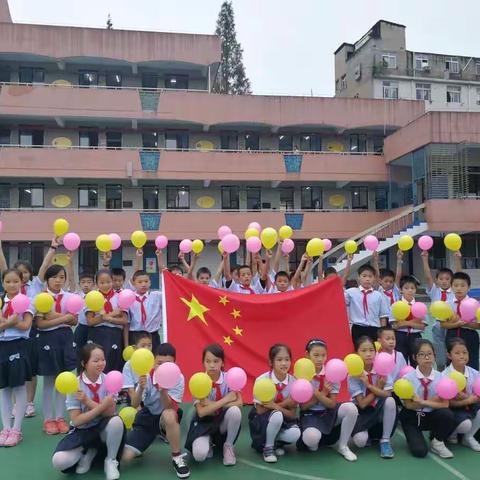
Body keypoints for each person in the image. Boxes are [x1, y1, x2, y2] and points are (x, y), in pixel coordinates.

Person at [51, 344, 125, 479]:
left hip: (103, 428)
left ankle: (110, 460)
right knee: (59, 461)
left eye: (103, 359)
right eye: (96, 361)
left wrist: (87, 402)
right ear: (84, 363)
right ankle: (88, 451)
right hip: (82, 432)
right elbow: (77, 421)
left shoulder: (110, 379)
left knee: (116, 422)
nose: (101, 363)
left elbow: (110, 413)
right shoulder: (74, 384)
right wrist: (102, 406)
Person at [122, 343, 190, 478]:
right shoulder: (146, 376)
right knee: (126, 457)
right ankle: (141, 443)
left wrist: (163, 389)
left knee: (169, 415)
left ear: (175, 363)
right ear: (153, 362)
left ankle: (177, 457)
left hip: (165, 418)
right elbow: (134, 405)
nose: (163, 367)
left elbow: (169, 407)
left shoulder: (178, 378)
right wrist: (140, 388)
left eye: (168, 363)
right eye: (159, 363)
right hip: (147, 418)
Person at [297, 339, 358, 461]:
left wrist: (318, 393)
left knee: (351, 408)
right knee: (312, 439)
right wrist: (323, 393)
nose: (320, 359)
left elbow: (331, 404)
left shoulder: (332, 372)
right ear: (307, 355)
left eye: (323, 355)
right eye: (316, 355)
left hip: (328, 411)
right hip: (310, 414)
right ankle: (316, 443)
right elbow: (303, 407)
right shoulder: (302, 373)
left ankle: (343, 446)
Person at [35, 264, 77, 435]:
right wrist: (64, 318)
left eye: (61, 277)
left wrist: (55, 316)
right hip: (47, 340)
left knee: (63, 380)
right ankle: (48, 419)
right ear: (47, 279)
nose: (58, 280)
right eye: (54, 277)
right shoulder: (41, 298)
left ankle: (60, 417)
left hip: (65, 339)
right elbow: (40, 323)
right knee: (49, 382)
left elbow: (74, 321)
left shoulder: (70, 297)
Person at [185, 344, 242, 466]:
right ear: (203, 363)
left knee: (235, 411)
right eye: (208, 361)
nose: (212, 365)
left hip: (222, 423)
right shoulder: (198, 381)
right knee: (199, 456)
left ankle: (228, 446)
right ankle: (209, 441)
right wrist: (225, 399)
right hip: (204, 423)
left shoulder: (231, 378)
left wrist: (211, 404)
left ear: (222, 363)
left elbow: (239, 402)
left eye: (216, 361)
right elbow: (202, 412)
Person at [400, 339, 456, 458]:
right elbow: (409, 405)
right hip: (412, 417)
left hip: (432, 415)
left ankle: (437, 441)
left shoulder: (441, 378)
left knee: (447, 415)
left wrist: (421, 402)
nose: (427, 358)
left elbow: (445, 404)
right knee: (420, 452)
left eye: (430, 354)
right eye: (422, 354)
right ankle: (413, 436)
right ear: (415, 357)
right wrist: (434, 400)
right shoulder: (407, 379)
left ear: (434, 356)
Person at [248, 343, 300, 463]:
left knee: (296, 433)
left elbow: (292, 414)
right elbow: (260, 410)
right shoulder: (262, 380)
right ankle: (268, 448)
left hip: (284, 420)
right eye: (279, 359)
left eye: (287, 359)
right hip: (262, 420)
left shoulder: (294, 382)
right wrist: (284, 404)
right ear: (271, 362)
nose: (284, 363)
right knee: (277, 415)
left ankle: (277, 443)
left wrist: (275, 406)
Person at [0, 268, 34, 446]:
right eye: (8, 281)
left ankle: (17, 429)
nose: (11, 285)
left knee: (19, 386)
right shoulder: (0, 300)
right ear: (3, 283)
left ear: (22, 282)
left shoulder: (27, 302)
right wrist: (10, 323)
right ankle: (5, 428)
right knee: (4, 388)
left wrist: (8, 323)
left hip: (18, 345)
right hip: (1, 346)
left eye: (15, 281)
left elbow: (26, 326)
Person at [348, 336, 396, 458]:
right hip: (363, 412)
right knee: (360, 442)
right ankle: (369, 433)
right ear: (356, 353)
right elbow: (362, 403)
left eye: (371, 350)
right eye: (363, 351)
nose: (368, 354)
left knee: (390, 401)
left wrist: (369, 385)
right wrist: (376, 387)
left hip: (378, 410)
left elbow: (388, 394)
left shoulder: (383, 367)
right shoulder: (353, 374)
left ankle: (385, 441)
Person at [421, 250, 460, 370]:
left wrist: (458, 259)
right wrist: (425, 259)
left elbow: (459, 276)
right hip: (438, 326)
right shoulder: (435, 291)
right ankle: (440, 373)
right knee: (440, 355)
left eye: (447, 279)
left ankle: (453, 373)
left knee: (452, 351)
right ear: (437, 280)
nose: (444, 281)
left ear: (451, 281)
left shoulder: (454, 292)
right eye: (441, 278)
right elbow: (428, 277)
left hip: (452, 325)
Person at [86, 270, 128, 373]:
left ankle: (113, 388)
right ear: (96, 284)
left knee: (113, 364)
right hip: (97, 334)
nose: (105, 285)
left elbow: (124, 320)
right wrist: (110, 315)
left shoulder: (120, 297)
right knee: (97, 363)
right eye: (102, 283)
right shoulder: (92, 297)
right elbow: (90, 321)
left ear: (112, 281)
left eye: (108, 282)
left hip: (114, 335)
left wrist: (109, 319)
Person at [444, 337, 480, 450]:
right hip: (453, 409)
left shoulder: (474, 373)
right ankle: (452, 433)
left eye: (464, 352)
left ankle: (468, 437)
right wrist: (468, 400)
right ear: (449, 355)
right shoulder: (445, 375)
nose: (462, 356)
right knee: (465, 425)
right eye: (457, 353)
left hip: (470, 406)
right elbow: (448, 403)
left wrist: (467, 398)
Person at [442, 272, 480, 370]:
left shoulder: (475, 304)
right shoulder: (447, 304)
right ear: (451, 287)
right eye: (456, 285)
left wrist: (465, 323)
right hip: (452, 335)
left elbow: (478, 325)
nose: (459, 288)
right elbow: (443, 324)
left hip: (470, 336)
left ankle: (472, 384)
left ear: (469, 287)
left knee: (472, 364)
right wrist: (455, 324)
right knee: (452, 363)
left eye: (463, 285)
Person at [128, 250, 164, 352]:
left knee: (154, 360)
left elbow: (165, 282)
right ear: (134, 283)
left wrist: (159, 258)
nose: (143, 284)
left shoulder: (156, 296)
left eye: (146, 281)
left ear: (150, 282)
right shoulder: (129, 297)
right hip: (135, 335)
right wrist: (138, 259)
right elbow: (134, 274)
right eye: (140, 282)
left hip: (152, 335)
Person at [344, 265, 390, 344]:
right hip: (357, 328)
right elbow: (338, 301)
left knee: (373, 352)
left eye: (370, 276)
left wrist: (383, 333)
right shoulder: (350, 292)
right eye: (364, 276)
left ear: (374, 278)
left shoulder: (378, 295)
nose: (367, 279)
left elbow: (383, 316)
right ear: (358, 277)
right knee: (358, 351)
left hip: (374, 328)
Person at [390, 275, 427, 367]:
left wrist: (406, 323)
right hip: (400, 336)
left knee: (417, 362)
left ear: (415, 290)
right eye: (406, 288)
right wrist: (414, 323)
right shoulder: (396, 305)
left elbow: (422, 326)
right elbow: (394, 325)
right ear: (401, 290)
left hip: (415, 336)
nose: (410, 290)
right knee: (401, 362)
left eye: (412, 288)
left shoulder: (420, 306)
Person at [122, 332, 152, 404]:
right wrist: (138, 409)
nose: (147, 349)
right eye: (143, 346)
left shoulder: (154, 361)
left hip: (151, 401)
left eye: (149, 345)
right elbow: (130, 391)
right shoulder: (129, 365)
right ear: (135, 348)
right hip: (135, 400)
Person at [73, 272, 95, 357]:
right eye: (83, 282)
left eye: (89, 282)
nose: (86, 285)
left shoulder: (97, 296)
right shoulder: (77, 295)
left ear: (93, 284)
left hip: (93, 328)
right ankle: (80, 369)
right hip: (81, 328)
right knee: (80, 352)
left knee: (92, 352)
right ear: (79, 284)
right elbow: (71, 277)